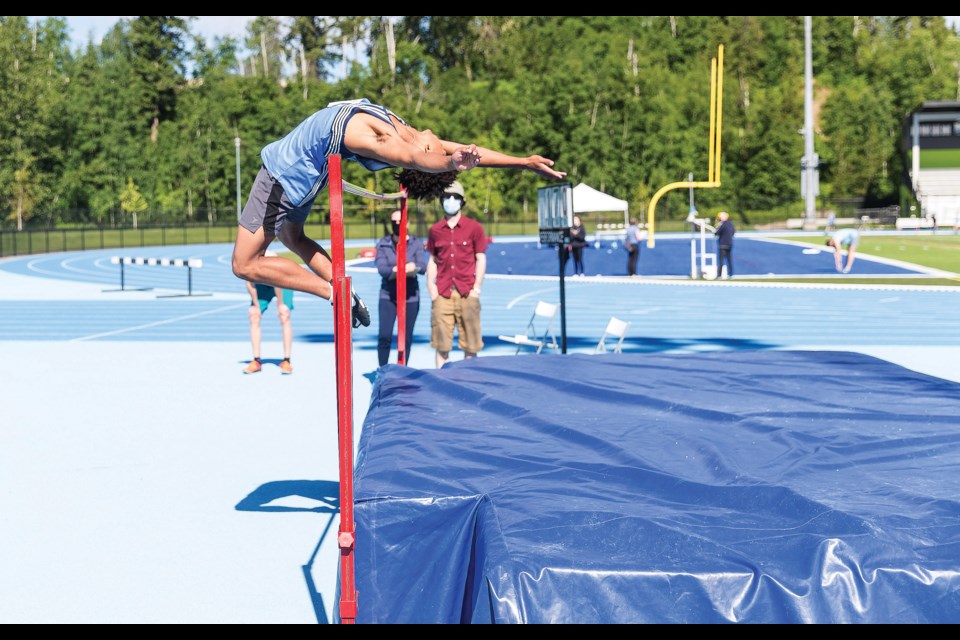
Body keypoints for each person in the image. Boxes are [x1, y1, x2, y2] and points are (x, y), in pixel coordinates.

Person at [231, 98, 565, 331]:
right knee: (293, 237)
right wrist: (522, 161)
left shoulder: (390, 145)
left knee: (245, 264)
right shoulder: (409, 133)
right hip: (310, 173)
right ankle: (339, 284)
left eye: (441, 152)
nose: (444, 143)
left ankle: (333, 293)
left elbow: (422, 159)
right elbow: (468, 151)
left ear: (424, 156)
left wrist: (449, 164)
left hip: (283, 175)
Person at [426, 181, 487, 368]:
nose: (450, 200)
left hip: (467, 292)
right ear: (441, 200)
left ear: (462, 201)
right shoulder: (435, 230)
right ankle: (442, 384)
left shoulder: (474, 228)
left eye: (455, 197)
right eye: (446, 197)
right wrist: (431, 286)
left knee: (471, 346)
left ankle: (470, 383)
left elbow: (480, 258)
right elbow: (432, 260)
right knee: (441, 346)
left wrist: (477, 288)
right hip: (442, 293)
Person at [375, 209, 428, 367]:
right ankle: (382, 370)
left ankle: (402, 369)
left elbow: (422, 267)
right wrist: (400, 269)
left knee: (406, 337)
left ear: (408, 223)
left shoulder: (415, 243)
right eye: (394, 222)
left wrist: (410, 268)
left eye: (401, 221)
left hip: (410, 296)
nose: (398, 225)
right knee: (385, 335)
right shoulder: (383, 243)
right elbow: (382, 269)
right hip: (388, 295)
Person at [243, 252, 294, 374]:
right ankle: (256, 360)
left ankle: (287, 360)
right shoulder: (247, 260)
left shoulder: (270, 259)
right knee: (253, 315)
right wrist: (256, 305)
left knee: (284, 315)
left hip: (281, 282)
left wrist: (280, 304)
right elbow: (249, 284)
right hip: (262, 286)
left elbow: (276, 282)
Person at [714, 211, 736, 279]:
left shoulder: (722, 224)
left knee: (721, 260)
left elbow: (717, 233)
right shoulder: (731, 224)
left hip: (722, 244)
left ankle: (719, 275)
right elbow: (733, 232)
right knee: (729, 260)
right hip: (729, 244)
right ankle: (731, 274)